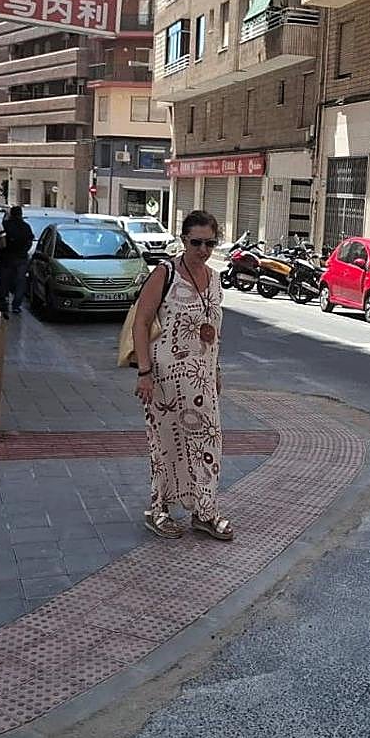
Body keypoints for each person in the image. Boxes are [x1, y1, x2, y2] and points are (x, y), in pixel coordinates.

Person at [132, 209, 232, 541]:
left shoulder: (215, 279)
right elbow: (142, 322)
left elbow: (214, 331)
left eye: (210, 243)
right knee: (166, 446)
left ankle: (205, 512)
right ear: (183, 239)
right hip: (163, 380)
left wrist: (216, 369)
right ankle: (158, 509)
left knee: (209, 445)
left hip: (202, 381)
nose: (203, 250)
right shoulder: (166, 273)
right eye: (196, 242)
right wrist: (144, 372)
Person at [1, 206, 34, 313]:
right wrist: (24, 251)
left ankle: (3, 302)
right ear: (21, 214)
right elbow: (29, 242)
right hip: (21, 258)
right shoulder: (26, 226)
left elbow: (1, 240)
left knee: (4, 280)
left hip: (7, 257)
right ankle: (16, 305)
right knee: (20, 282)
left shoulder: (5, 225)